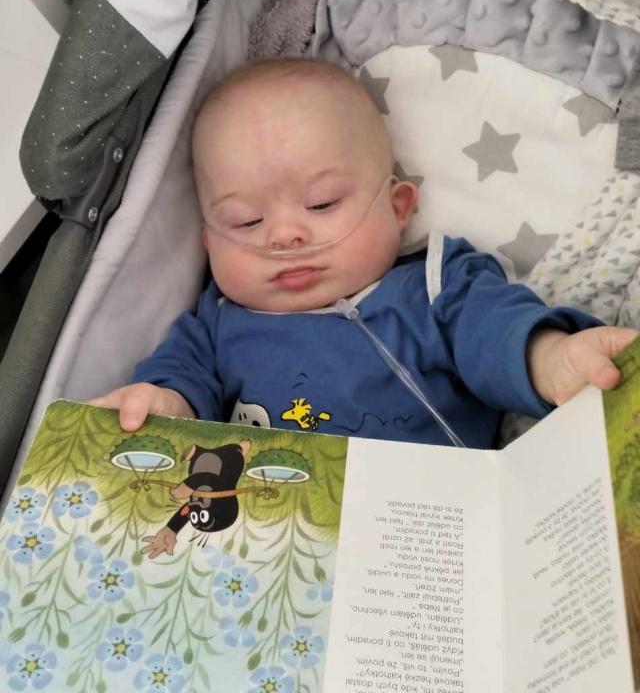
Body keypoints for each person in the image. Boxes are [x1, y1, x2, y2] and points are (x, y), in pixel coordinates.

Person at [90, 58, 638, 448]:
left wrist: (552, 359)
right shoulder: (217, 326)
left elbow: (494, 333)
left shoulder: (437, 285)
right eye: (247, 221)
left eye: (322, 203)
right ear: (208, 241)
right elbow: (179, 379)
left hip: (434, 532)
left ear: (398, 208)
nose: (285, 236)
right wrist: (163, 406)